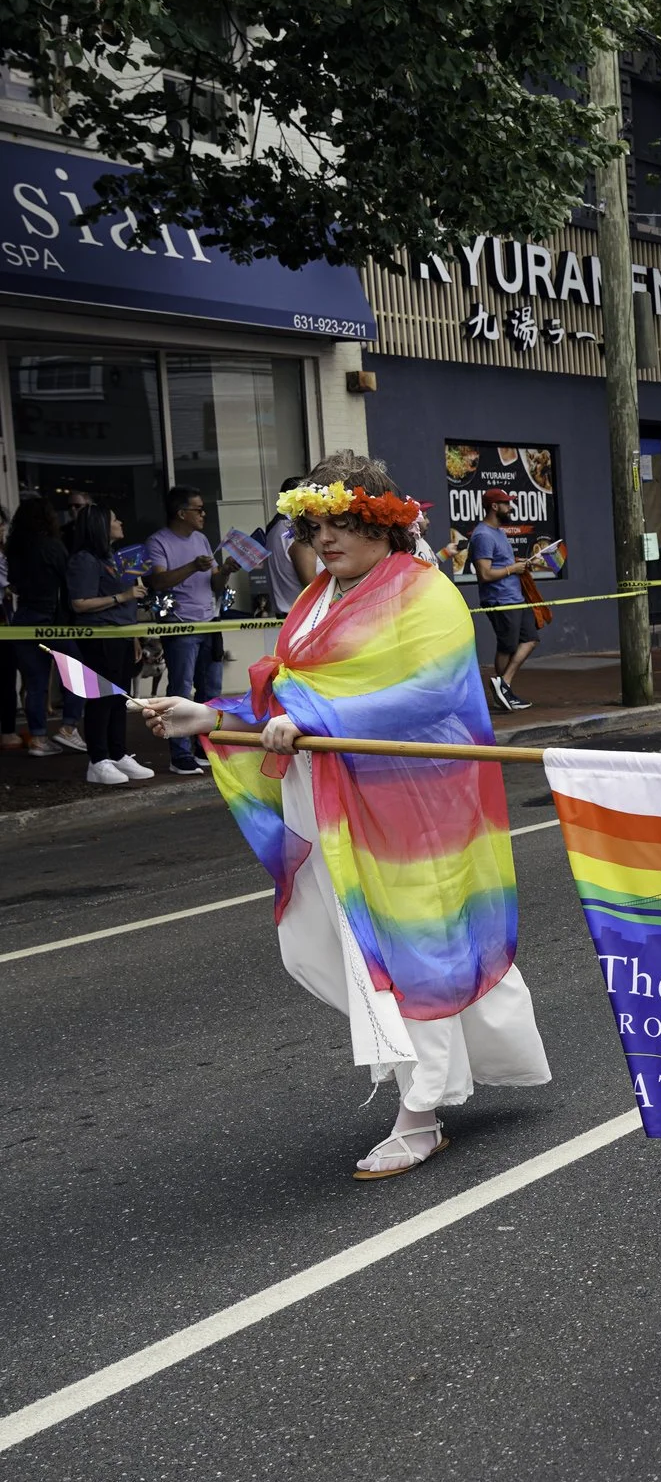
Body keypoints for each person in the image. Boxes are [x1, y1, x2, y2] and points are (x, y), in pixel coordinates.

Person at [138, 454, 551, 1178]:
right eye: (315, 525)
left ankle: (419, 1114)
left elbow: (429, 693)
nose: (325, 539)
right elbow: (294, 692)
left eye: (343, 524)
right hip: (335, 796)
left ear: (382, 524)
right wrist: (206, 713)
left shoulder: (425, 593)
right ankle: (467, 1073)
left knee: (405, 950)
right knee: (368, 947)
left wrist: (305, 713)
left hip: (412, 804)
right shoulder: (318, 595)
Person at [63, 504, 152, 785]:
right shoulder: (85, 560)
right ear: (101, 526)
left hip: (121, 636)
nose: (120, 522)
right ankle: (98, 759)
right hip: (99, 636)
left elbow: (126, 604)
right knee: (102, 699)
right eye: (114, 519)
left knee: (119, 699)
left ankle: (118, 753)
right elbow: (79, 603)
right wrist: (121, 597)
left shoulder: (113, 558)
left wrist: (133, 635)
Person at [146, 488, 228, 773]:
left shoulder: (202, 539)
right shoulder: (158, 541)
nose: (204, 514)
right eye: (199, 509)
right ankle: (179, 752)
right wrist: (193, 566)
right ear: (182, 513)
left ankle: (203, 746)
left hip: (210, 621)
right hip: (180, 624)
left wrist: (226, 570)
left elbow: (215, 583)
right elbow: (158, 581)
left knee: (211, 690)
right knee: (181, 688)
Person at [467, 489, 543, 710]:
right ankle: (504, 693)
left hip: (515, 596)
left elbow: (501, 563)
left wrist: (521, 563)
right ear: (494, 506)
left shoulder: (499, 532)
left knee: (530, 638)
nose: (510, 507)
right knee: (507, 646)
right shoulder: (482, 535)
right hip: (499, 599)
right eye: (506, 504)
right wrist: (512, 569)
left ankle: (504, 684)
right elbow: (485, 574)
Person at [6, 496, 68, 755]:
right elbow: (67, 578)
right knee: (74, 673)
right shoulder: (52, 546)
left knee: (35, 682)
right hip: (51, 617)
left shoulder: (15, 548)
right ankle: (70, 728)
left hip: (23, 617)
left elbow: (14, 583)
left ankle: (39, 737)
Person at [261, 474, 318, 615]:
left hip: (288, 617)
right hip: (304, 618)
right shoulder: (297, 532)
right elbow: (314, 587)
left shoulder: (275, 528)